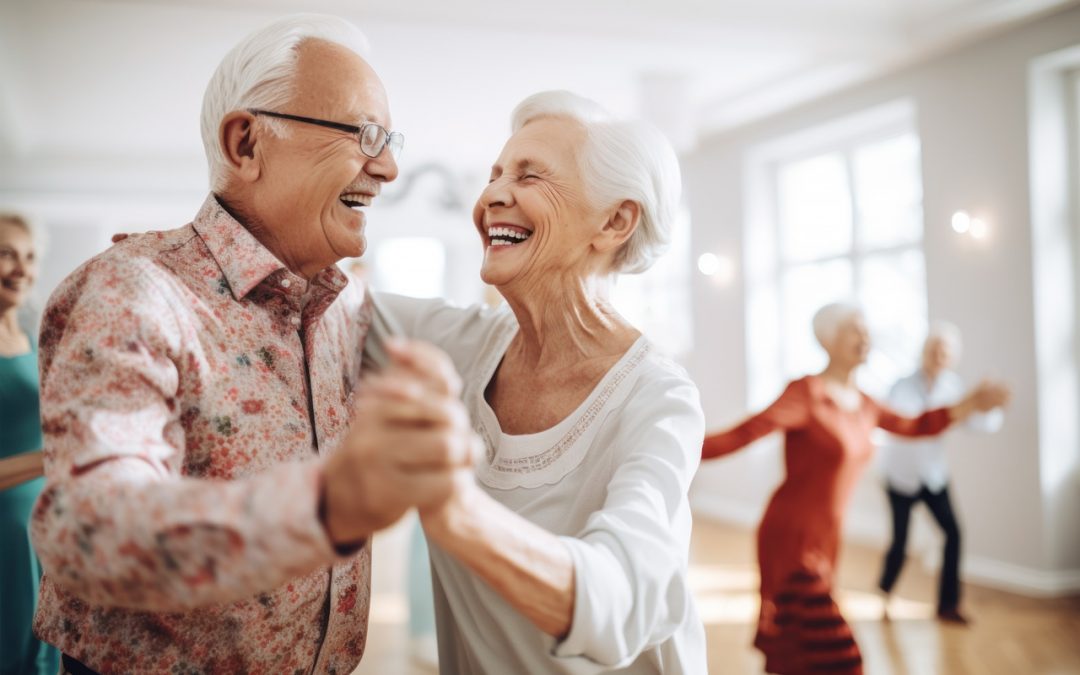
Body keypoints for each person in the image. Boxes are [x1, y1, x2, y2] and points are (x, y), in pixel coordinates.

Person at [29, 15, 473, 674]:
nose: (389, 166)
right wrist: (331, 505)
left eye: (390, 137)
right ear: (245, 143)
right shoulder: (135, 291)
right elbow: (88, 532)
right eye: (363, 134)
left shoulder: (348, 307)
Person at [367, 90, 707, 673]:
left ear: (615, 220)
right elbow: (314, 301)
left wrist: (457, 511)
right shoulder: (461, 343)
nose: (492, 194)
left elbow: (623, 599)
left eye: (530, 175)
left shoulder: (659, 399)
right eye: (496, 172)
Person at [700, 303, 1009, 675]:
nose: (866, 337)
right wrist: (679, 445)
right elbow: (744, 433)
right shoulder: (807, 394)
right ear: (828, 340)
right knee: (841, 657)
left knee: (798, 648)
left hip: (827, 539)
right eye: (854, 329)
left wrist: (970, 405)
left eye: (867, 330)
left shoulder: (865, 403)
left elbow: (915, 426)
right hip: (791, 537)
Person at [877, 321, 1003, 625]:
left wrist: (986, 407)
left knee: (954, 534)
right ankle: (884, 593)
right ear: (923, 352)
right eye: (933, 350)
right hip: (900, 477)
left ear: (953, 358)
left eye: (944, 352)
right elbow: (911, 425)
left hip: (933, 476)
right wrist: (963, 405)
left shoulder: (954, 388)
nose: (938, 356)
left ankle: (948, 605)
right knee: (900, 543)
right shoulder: (901, 386)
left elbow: (977, 425)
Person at [0, 213, 60, 675]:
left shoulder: (28, 332)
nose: (22, 268)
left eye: (29, 256)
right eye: (6, 254)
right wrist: (52, 456)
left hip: (42, 525)